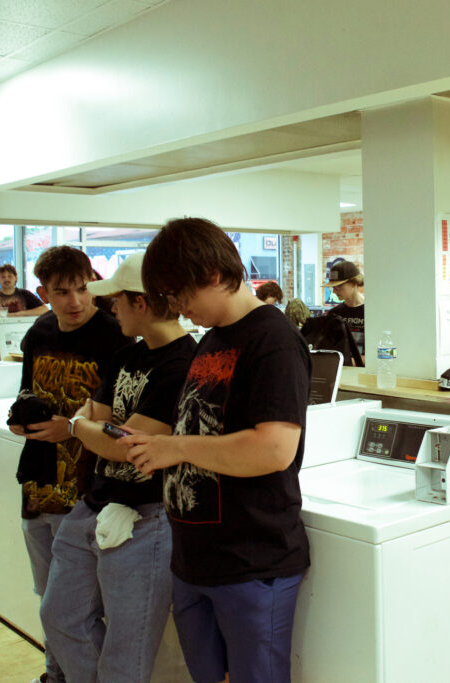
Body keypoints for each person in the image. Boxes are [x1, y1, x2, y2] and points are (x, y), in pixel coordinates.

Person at [123, 217, 311, 683]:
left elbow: (273, 449)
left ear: (210, 274)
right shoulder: (210, 340)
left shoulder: (273, 339)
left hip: (251, 561)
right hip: (194, 558)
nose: (177, 308)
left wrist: (175, 448)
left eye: (178, 294)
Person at [39, 252, 197, 683]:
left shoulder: (183, 363)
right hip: (94, 503)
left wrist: (77, 426)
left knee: (127, 646)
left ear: (139, 303)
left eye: (117, 300)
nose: (111, 308)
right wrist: (92, 427)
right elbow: (100, 420)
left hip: (148, 516)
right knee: (59, 617)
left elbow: (125, 445)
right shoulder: (128, 355)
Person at [8, 246, 131, 683]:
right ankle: (54, 674)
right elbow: (27, 390)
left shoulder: (115, 335)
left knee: (77, 608)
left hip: (88, 488)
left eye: (82, 289)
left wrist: (74, 429)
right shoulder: (39, 331)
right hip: (39, 479)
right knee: (48, 597)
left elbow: (125, 419)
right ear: (43, 292)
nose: (75, 301)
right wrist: (21, 419)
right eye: (62, 292)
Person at [323, 260, 365, 358]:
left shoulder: (372, 312)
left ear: (354, 283)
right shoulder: (334, 314)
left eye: (338, 286)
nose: (334, 291)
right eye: (333, 287)